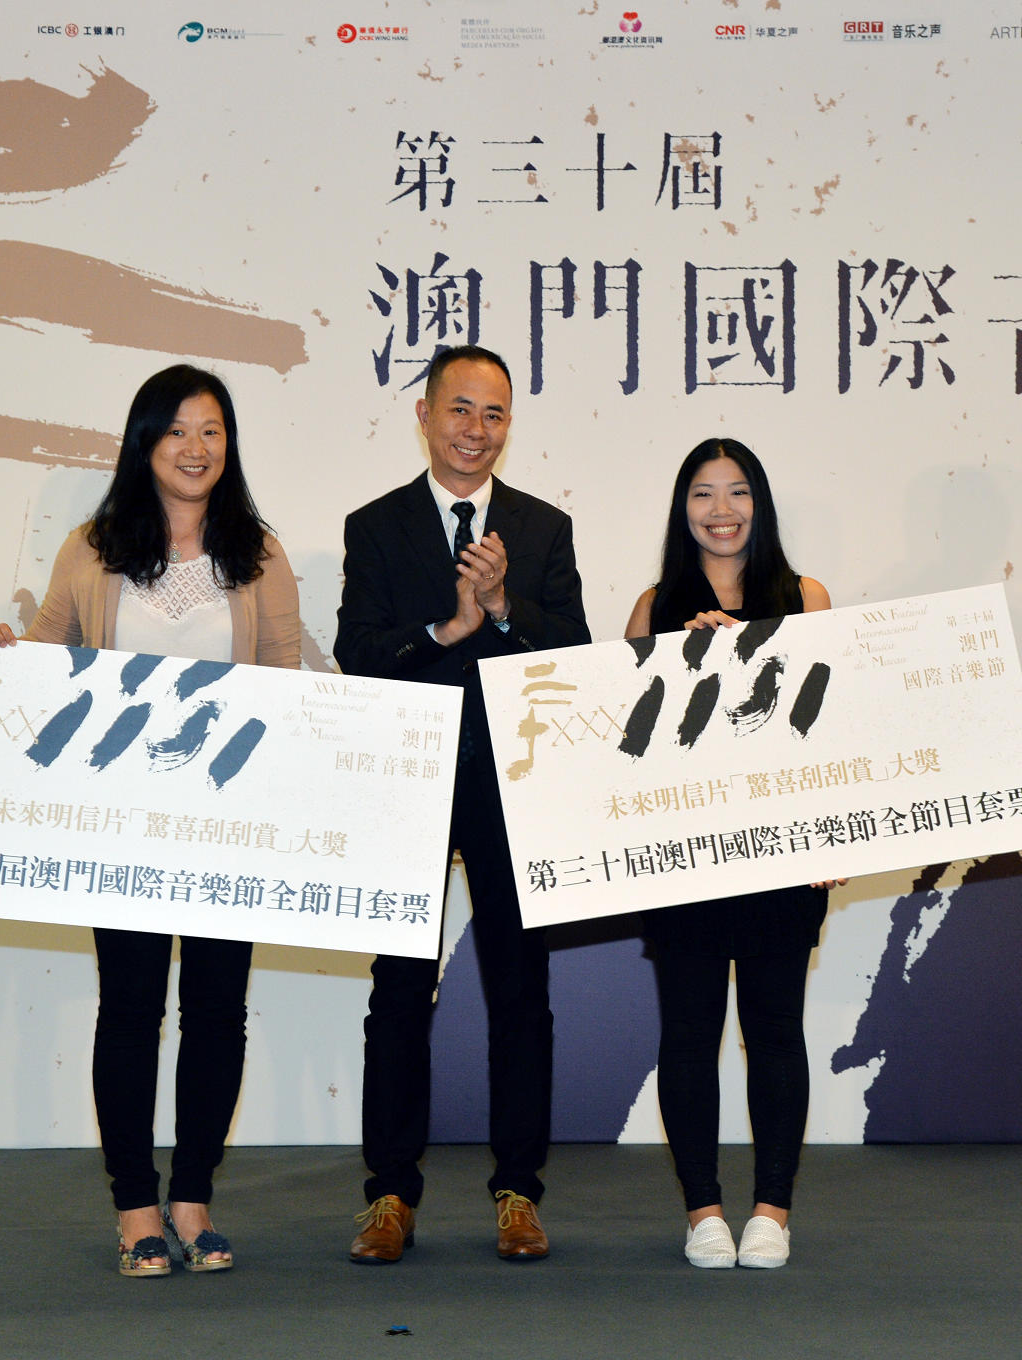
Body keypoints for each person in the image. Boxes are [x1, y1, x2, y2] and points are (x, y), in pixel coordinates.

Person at [0, 365, 302, 1277]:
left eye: (212, 432)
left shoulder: (258, 553)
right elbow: (49, 657)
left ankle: (193, 1199)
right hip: (121, 823)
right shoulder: (94, 546)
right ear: (145, 443)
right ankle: (135, 1208)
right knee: (129, 1008)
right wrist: (2, 655)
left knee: (218, 1012)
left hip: (229, 822)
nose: (196, 449)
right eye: (177, 432)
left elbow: (287, 683)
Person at [334, 345, 589, 1263]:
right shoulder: (377, 526)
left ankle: (519, 1192)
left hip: (515, 787)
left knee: (521, 990)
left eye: (495, 414)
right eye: (460, 409)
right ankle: (389, 1195)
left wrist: (506, 604)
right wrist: (449, 627)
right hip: (407, 781)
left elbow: (575, 652)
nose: (476, 430)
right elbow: (357, 653)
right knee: (401, 990)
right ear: (425, 413)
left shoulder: (543, 528)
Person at [623, 438, 840, 1271]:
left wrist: (836, 832)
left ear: (761, 504)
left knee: (775, 1031)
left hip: (782, 854)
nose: (722, 511)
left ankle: (773, 1211)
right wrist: (688, 662)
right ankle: (704, 1212)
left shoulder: (806, 597)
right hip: (685, 857)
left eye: (739, 491)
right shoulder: (654, 606)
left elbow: (831, 729)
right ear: (682, 509)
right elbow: (629, 745)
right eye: (704, 494)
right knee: (689, 1034)